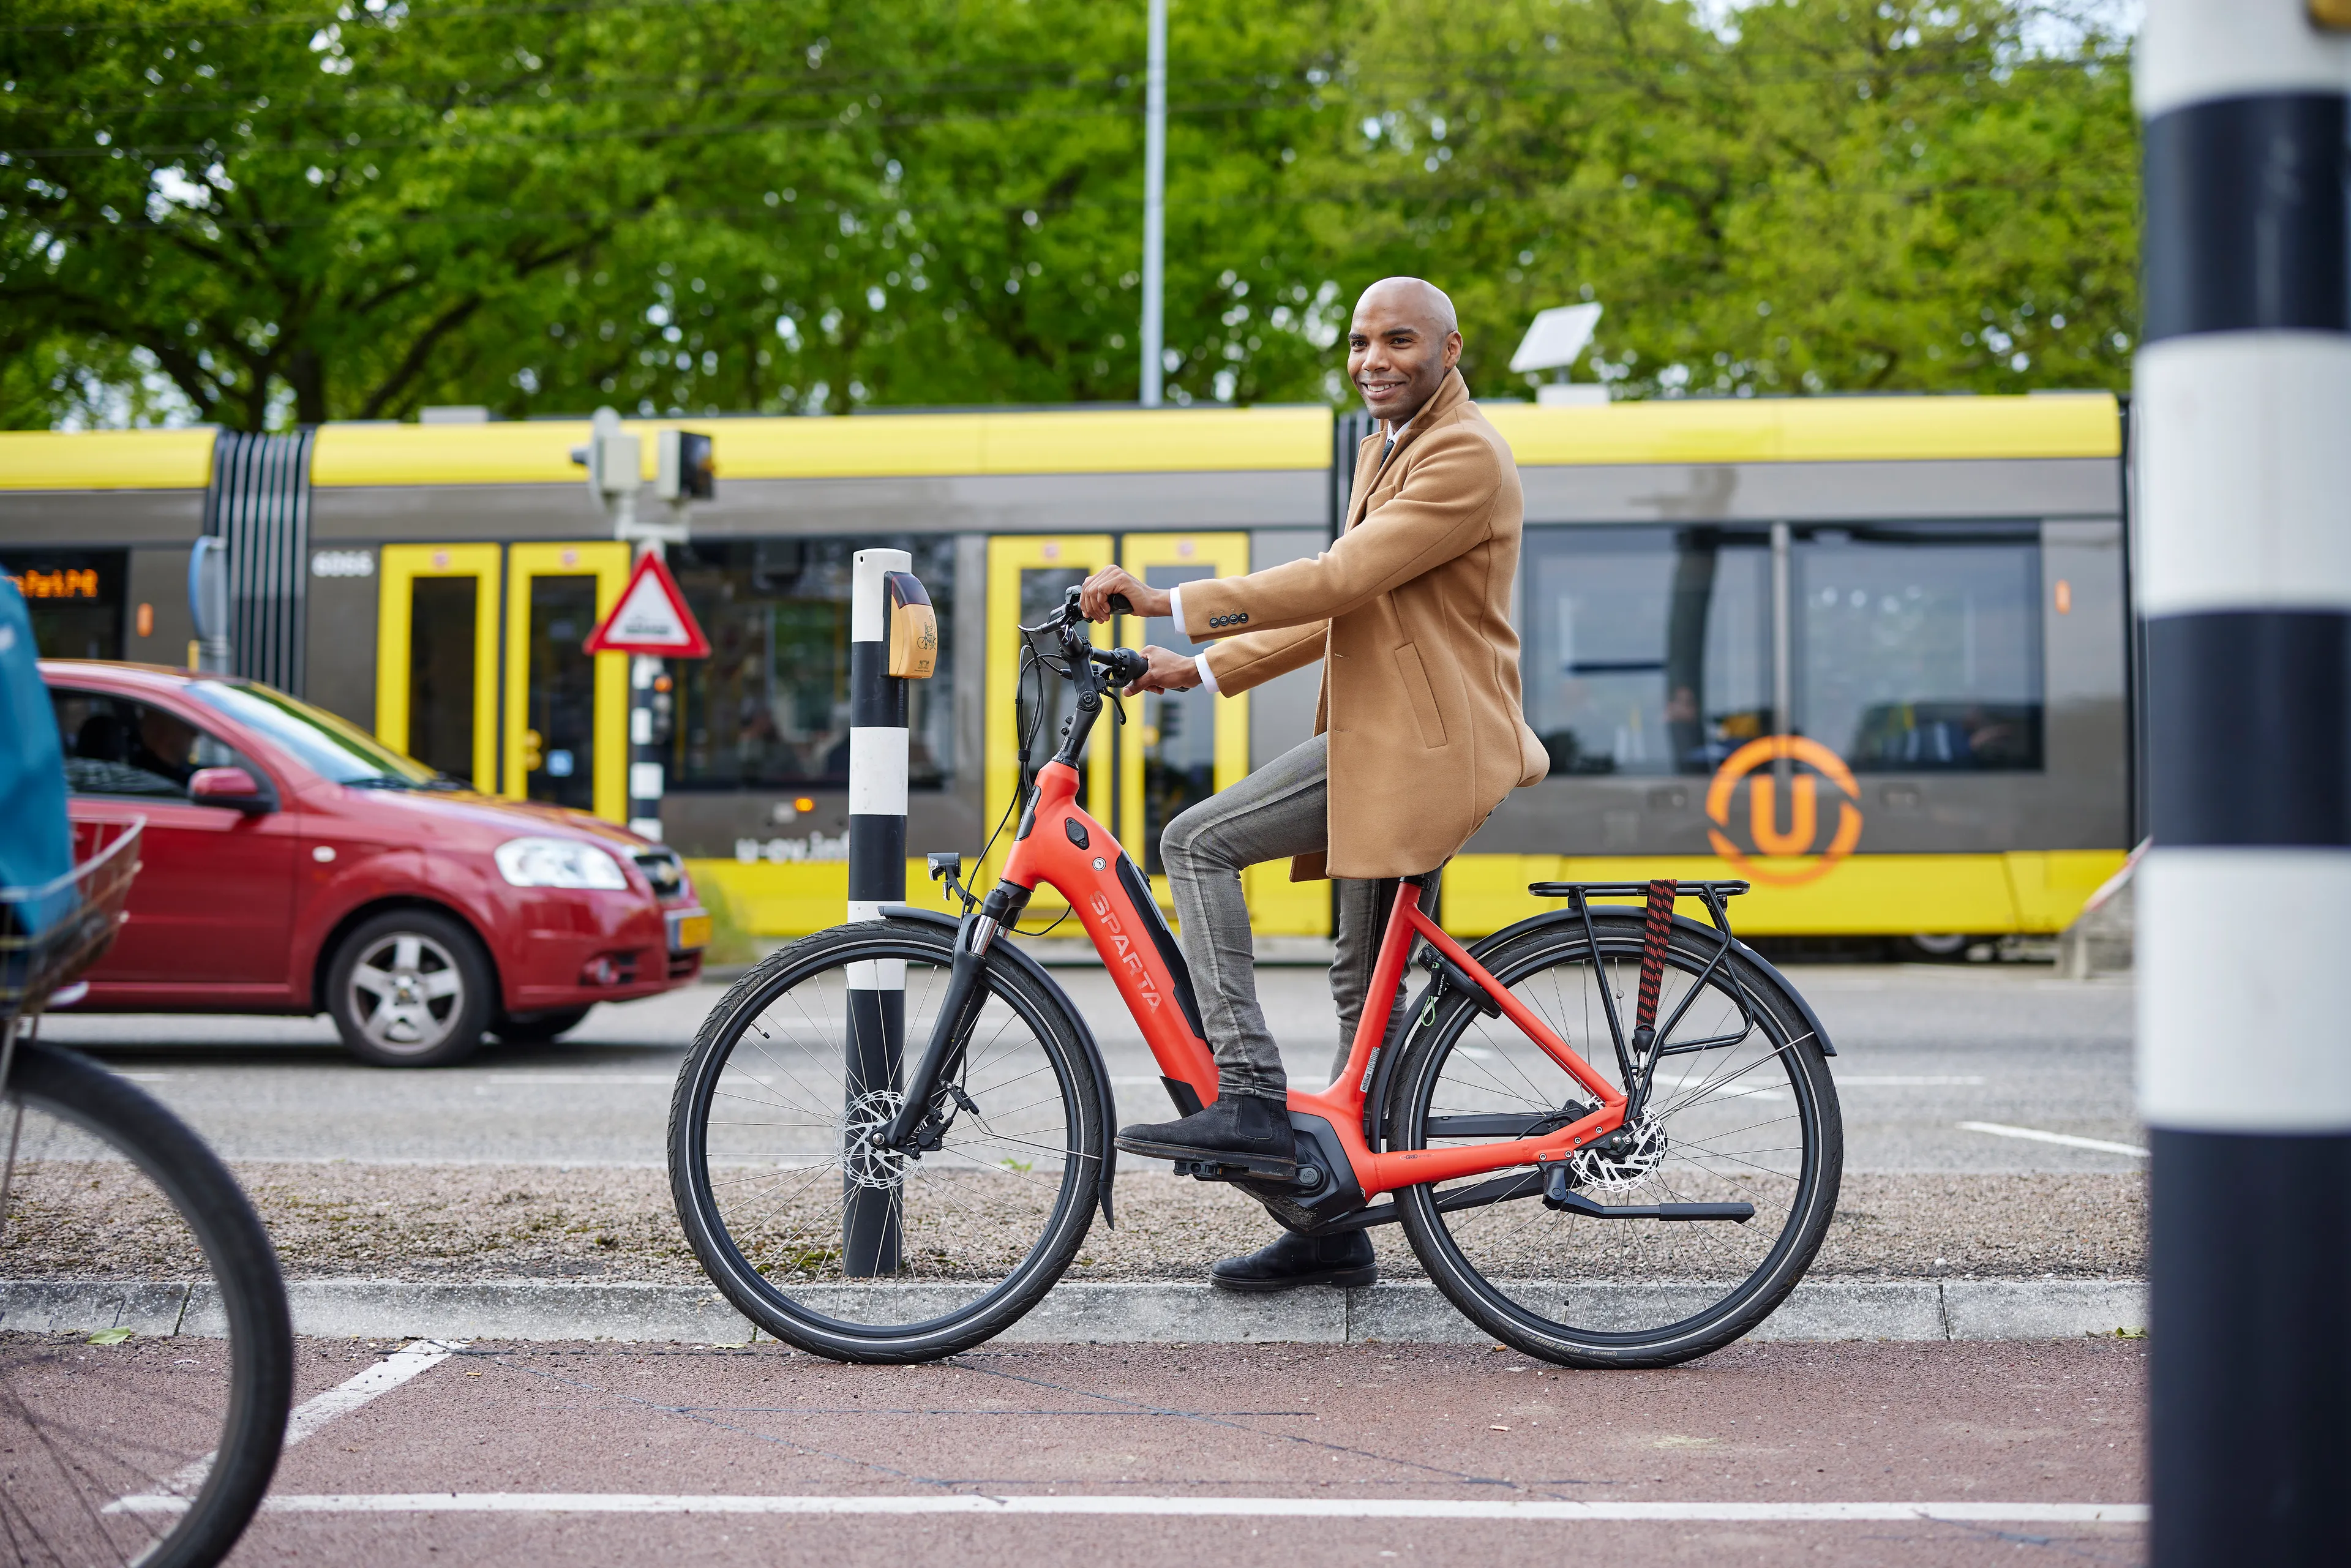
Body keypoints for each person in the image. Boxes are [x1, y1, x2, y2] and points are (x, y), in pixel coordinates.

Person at [1076, 277, 1549, 1292]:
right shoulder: (1392, 446)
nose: (1374, 358)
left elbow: (1336, 580)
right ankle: (1332, 1226)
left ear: (1452, 349)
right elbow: (1352, 602)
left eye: (1400, 340)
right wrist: (1194, 668)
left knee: (1195, 842)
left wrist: (1170, 601)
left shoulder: (1461, 455)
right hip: (1398, 740)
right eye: (1360, 342)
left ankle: (1246, 1092)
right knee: (1358, 985)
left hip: (1418, 748)